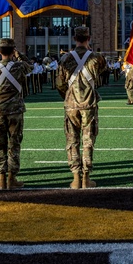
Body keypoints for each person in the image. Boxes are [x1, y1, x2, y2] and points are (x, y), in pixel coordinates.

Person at [55, 26, 107, 189]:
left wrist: (69, 97)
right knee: (88, 140)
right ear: (88, 38)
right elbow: (103, 72)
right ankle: (86, 177)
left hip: (71, 104)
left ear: (74, 39)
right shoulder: (97, 57)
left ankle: (76, 177)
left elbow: (59, 84)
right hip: (89, 103)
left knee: (72, 140)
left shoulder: (65, 59)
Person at [0, 38, 32, 190]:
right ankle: (12, 178)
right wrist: (19, 55)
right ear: (13, 51)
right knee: (14, 144)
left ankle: (1, 179)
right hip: (15, 111)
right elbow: (29, 65)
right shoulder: (20, 67)